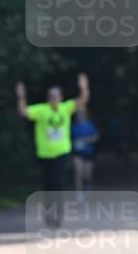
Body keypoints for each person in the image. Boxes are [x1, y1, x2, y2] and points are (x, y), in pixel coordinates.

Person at [16, 74, 90, 223]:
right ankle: (49, 213)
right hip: (45, 154)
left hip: (62, 153)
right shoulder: (42, 110)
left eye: (56, 96)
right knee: (48, 185)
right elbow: (23, 112)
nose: (53, 98)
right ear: (48, 98)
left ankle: (58, 214)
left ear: (61, 97)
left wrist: (84, 87)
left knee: (58, 183)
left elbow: (83, 100)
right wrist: (21, 97)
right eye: (51, 96)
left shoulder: (66, 108)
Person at [71, 107, 99, 201]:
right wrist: (73, 142)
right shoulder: (72, 126)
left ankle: (88, 185)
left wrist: (87, 140)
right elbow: (68, 138)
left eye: (81, 113)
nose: (80, 115)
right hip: (77, 153)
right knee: (78, 172)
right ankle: (78, 193)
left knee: (87, 174)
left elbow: (96, 137)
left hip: (88, 153)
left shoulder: (89, 125)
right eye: (78, 113)